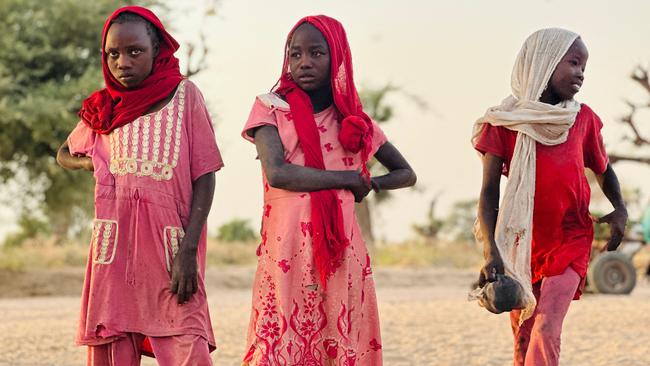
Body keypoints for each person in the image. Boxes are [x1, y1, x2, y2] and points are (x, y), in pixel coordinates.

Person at [240, 15, 416, 366]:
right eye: (295, 54)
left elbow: (406, 173)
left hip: (342, 249)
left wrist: (370, 184)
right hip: (285, 249)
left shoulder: (352, 120)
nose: (304, 62)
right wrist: (347, 180)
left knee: (339, 339)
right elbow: (279, 173)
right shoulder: (270, 108)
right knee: (280, 344)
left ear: (336, 57)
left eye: (316, 53)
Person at [56, 6, 223, 365]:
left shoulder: (184, 96)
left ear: (156, 51)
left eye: (135, 52)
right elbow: (64, 153)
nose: (123, 62)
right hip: (113, 247)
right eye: (113, 54)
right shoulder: (106, 106)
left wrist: (188, 251)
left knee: (185, 339)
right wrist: (94, 163)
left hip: (169, 248)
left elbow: (205, 175)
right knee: (115, 342)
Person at [473, 28, 627, 366]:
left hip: (570, 239)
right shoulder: (503, 123)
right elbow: (488, 193)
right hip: (521, 246)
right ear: (542, 62)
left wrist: (620, 210)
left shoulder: (581, 119)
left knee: (545, 329)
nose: (581, 73)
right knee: (523, 338)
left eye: (584, 66)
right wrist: (491, 250)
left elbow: (603, 169)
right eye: (573, 63)